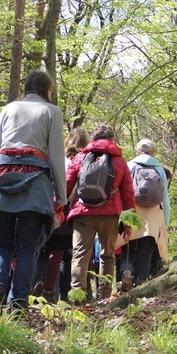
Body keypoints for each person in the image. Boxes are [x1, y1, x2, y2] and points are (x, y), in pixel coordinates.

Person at [0, 71, 66, 314]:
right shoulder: (52, 112)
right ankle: (18, 304)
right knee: (28, 247)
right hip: (35, 183)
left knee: (3, 245)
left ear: (26, 87)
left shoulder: (8, 109)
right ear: (48, 90)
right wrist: (61, 197)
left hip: (1, 180)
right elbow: (56, 157)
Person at [66, 124, 135, 302]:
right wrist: (128, 223)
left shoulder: (80, 157)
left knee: (80, 254)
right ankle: (104, 297)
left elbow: (67, 184)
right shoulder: (119, 161)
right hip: (110, 215)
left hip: (82, 213)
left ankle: (77, 296)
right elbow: (128, 193)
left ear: (93, 139)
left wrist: (57, 208)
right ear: (112, 139)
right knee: (107, 255)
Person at [38, 127, 91, 302]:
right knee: (71, 252)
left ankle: (46, 288)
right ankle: (71, 292)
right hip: (74, 210)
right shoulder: (86, 160)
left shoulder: (59, 158)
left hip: (53, 206)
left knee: (50, 250)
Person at [119, 139, 170, 290]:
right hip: (153, 215)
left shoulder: (130, 165)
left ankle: (126, 273)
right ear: (153, 152)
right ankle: (141, 283)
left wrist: (121, 216)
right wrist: (164, 224)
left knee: (128, 245)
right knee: (146, 248)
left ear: (137, 151)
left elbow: (123, 192)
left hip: (132, 211)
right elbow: (165, 200)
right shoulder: (159, 170)